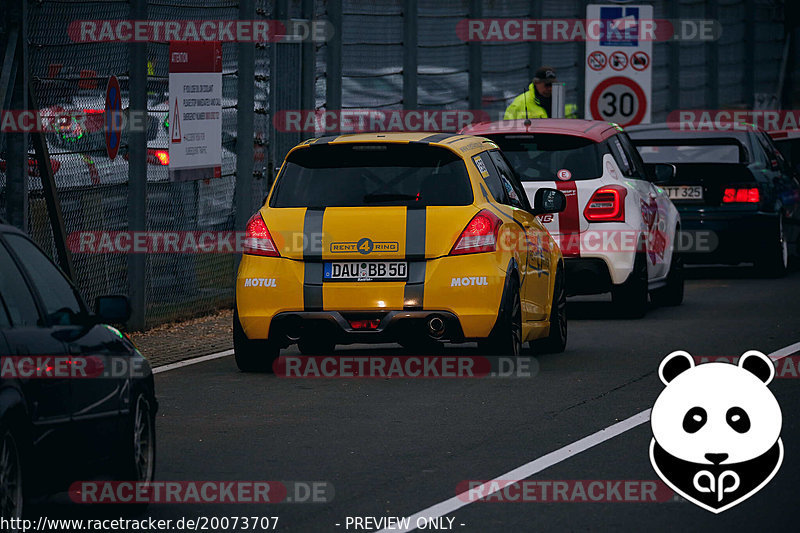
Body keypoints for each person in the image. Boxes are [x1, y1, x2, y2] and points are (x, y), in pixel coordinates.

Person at [504, 66, 578, 120]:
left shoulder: (563, 101)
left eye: (553, 85)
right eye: (547, 85)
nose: (550, 88)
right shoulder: (519, 104)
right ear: (536, 83)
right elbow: (508, 128)